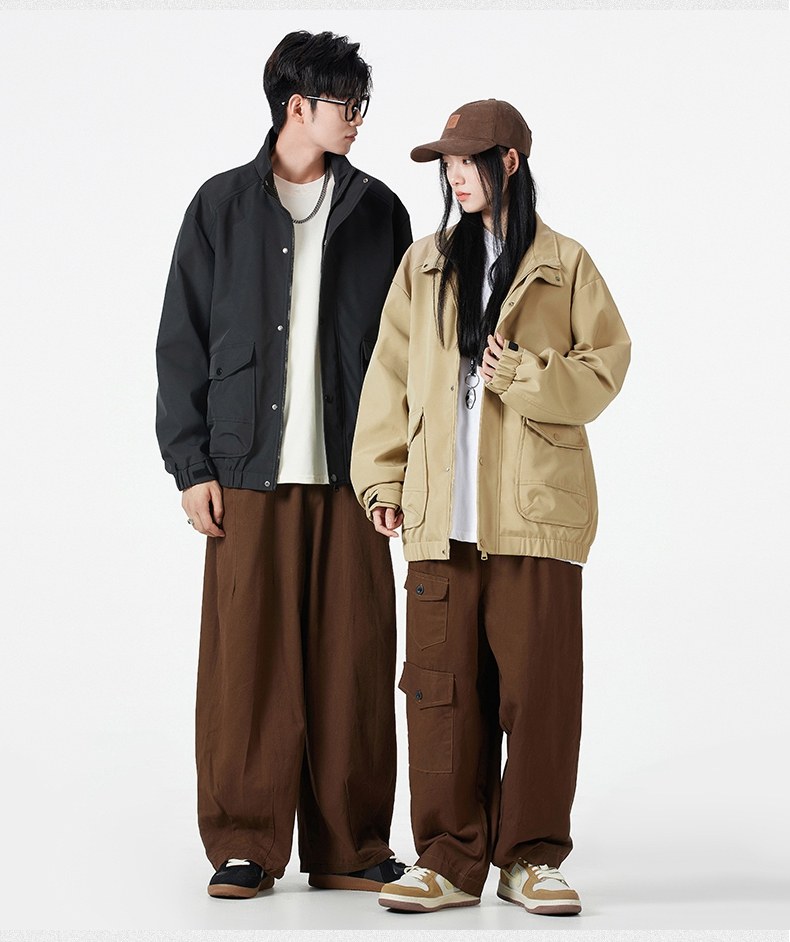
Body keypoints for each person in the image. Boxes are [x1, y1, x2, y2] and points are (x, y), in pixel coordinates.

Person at [351, 99, 630, 915]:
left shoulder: (565, 264)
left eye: (468, 160)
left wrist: (525, 376)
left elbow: (606, 369)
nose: (455, 176)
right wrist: (383, 481)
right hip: (440, 521)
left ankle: (531, 858)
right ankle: (447, 860)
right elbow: (388, 378)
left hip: (535, 519)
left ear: (509, 161)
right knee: (439, 695)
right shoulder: (425, 263)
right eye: (447, 163)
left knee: (539, 695)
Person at [155, 30, 412, 899]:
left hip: (352, 476)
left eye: (362, 103)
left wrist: (396, 469)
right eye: (347, 103)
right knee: (248, 665)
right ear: (298, 106)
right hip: (244, 474)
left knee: (355, 659)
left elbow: (403, 355)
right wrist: (191, 464)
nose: (360, 118)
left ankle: (351, 844)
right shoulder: (220, 207)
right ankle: (245, 842)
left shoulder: (378, 211)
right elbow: (181, 341)